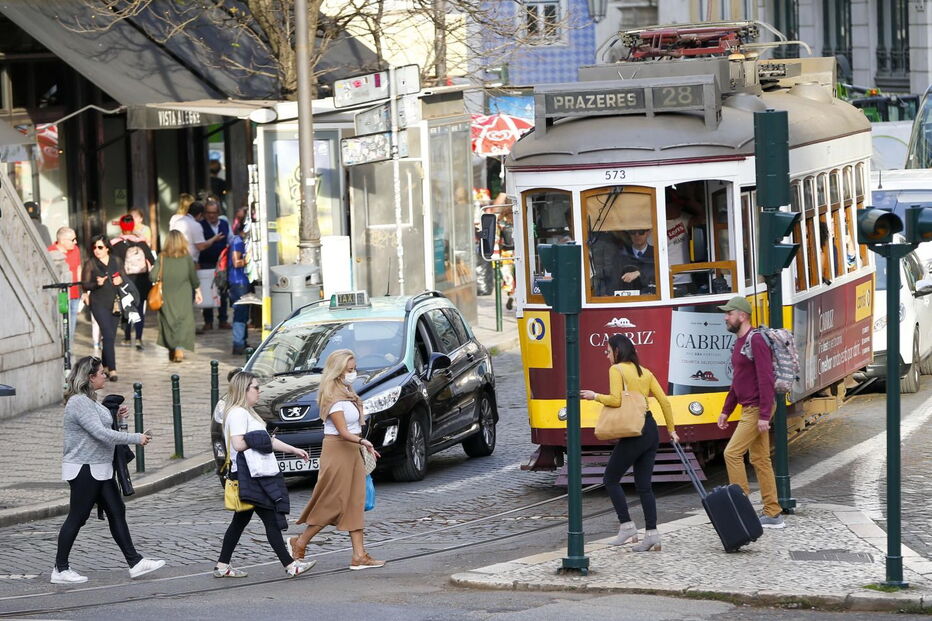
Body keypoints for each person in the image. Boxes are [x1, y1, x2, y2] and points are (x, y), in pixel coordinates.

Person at [51, 356, 163, 584]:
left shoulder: (91, 401)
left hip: (99, 468)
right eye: (101, 373)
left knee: (116, 510)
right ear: (90, 377)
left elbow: (106, 430)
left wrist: (119, 419)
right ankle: (60, 569)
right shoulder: (79, 402)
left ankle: (135, 562)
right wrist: (136, 438)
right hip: (84, 468)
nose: (105, 375)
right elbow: (101, 434)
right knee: (78, 517)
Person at [581, 334, 679, 551]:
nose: (607, 355)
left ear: (617, 351)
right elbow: (664, 401)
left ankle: (626, 526)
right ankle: (652, 534)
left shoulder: (616, 370)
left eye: (608, 351)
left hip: (635, 432)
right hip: (651, 430)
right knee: (644, 486)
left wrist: (595, 396)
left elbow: (616, 400)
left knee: (610, 478)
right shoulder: (645, 372)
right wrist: (672, 430)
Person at [214, 371, 315, 578]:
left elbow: (267, 440)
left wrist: (293, 450)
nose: (259, 391)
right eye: (256, 387)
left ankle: (222, 565)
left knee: (240, 522)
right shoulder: (238, 413)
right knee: (270, 519)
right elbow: (238, 444)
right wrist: (260, 439)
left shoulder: (246, 412)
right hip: (250, 475)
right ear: (244, 389)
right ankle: (291, 565)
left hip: (251, 474)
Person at [290, 349, 385, 570]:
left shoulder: (347, 392)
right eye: (349, 369)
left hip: (351, 450)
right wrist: (364, 442)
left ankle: (359, 556)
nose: (353, 373)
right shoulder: (333, 396)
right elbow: (342, 431)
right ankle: (300, 542)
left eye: (354, 368)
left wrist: (360, 444)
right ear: (338, 371)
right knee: (332, 503)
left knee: (355, 502)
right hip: (338, 450)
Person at [716, 296, 784, 529]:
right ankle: (773, 513)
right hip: (750, 407)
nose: (725, 317)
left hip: (756, 408)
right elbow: (738, 380)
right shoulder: (740, 342)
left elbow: (766, 379)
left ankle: (741, 507)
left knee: (732, 453)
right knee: (760, 460)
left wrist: (764, 415)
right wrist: (726, 410)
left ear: (742, 316)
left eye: (729, 313)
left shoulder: (756, 340)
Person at [81, 235, 128, 382]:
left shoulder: (116, 261)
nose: (97, 250)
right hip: (98, 303)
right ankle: (113, 370)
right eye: (94, 247)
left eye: (100, 247)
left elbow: (124, 277)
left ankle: (105, 366)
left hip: (115, 303)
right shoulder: (91, 263)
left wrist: (121, 279)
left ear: (107, 248)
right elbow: (84, 284)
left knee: (110, 337)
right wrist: (96, 284)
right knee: (107, 334)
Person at [151, 230, 202, 363]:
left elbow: (153, 276)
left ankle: (172, 347)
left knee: (168, 321)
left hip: (166, 294)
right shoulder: (187, 257)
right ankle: (179, 348)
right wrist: (198, 291)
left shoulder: (162, 257)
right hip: (184, 295)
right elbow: (193, 277)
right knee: (184, 322)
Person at [111, 215, 155, 350]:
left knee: (127, 307)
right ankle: (139, 338)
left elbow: (113, 264)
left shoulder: (116, 244)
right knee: (140, 309)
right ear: (133, 226)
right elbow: (152, 260)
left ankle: (127, 337)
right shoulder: (141, 242)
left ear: (121, 227)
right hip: (142, 280)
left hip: (125, 280)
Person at [199, 197, 230, 331]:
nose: (211, 215)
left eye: (213, 213)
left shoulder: (224, 224)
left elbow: (230, 239)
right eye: (208, 213)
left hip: (222, 263)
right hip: (206, 262)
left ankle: (223, 319)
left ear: (218, 213)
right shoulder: (201, 225)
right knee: (207, 291)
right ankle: (208, 321)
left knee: (222, 291)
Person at [47, 227, 82, 340]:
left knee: (71, 328)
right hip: (61, 296)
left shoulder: (76, 249)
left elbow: (78, 268)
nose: (75, 242)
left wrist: (82, 289)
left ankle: (69, 348)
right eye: (73, 239)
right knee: (61, 327)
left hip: (75, 294)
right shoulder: (50, 252)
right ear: (62, 241)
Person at [228, 220, 251, 355]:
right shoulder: (237, 241)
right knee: (240, 311)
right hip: (238, 281)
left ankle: (242, 341)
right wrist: (249, 259)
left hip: (242, 281)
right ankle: (238, 343)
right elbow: (236, 262)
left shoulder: (241, 241)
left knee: (243, 312)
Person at [617, 228, 656, 293]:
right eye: (633, 232)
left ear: (648, 232)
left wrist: (639, 273)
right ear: (629, 234)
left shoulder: (656, 252)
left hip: (650, 295)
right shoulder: (622, 254)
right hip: (628, 295)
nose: (637, 235)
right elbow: (615, 277)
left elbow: (658, 271)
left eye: (641, 232)